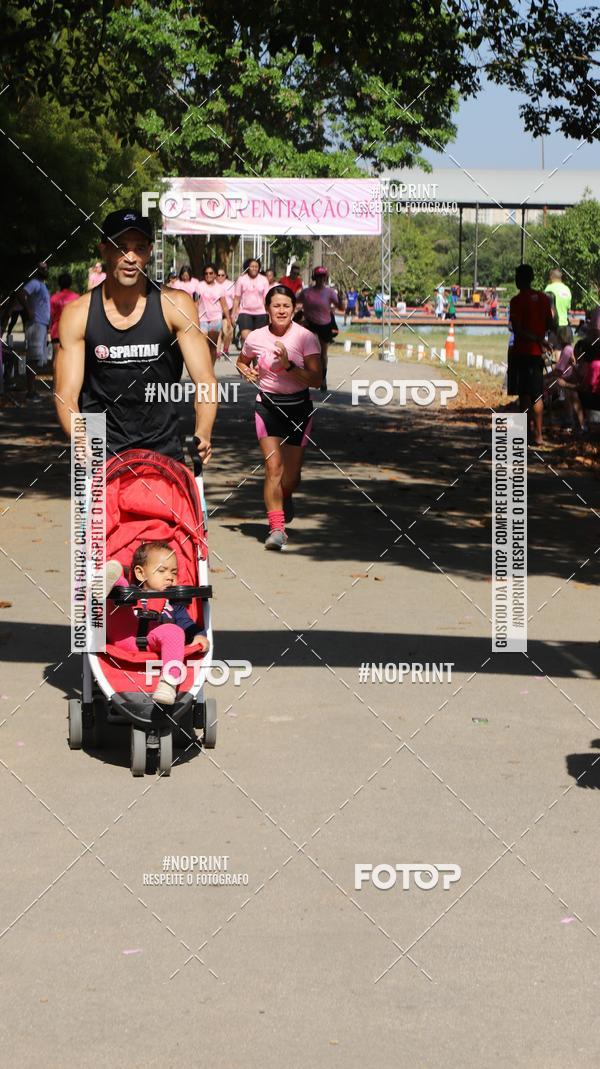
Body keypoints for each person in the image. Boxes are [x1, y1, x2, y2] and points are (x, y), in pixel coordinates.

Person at [54, 207, 217, 463]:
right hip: (96, 446)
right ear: (104, 249)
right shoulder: (77, 314)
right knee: (91, 502)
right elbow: (66, 392)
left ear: (149, 252)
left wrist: (203, 432)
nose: (130, 257)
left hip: (161, 446)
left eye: (139, 248)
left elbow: (205, 380)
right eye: (120, 247)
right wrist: (78, 437)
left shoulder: (175, 306)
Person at [236, 285, 321, 550]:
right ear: (267, 309)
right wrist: (244, 371)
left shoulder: (306, 338)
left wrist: (289, 366)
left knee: (291, 476)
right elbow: (242, 360)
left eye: (286, 305)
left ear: (294, 308)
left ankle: (286, 496)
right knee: (273, 469)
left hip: (298, 408)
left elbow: (317, 380)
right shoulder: (256, 338)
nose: (281, 310)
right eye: (276, 306)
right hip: (268, 407)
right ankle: (276, 529)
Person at [105, 542, 209, 706]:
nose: (170, 577)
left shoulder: (173, 604)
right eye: (162, 571)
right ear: (140, 573)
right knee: (119, 598)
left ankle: (168, 683)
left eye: (174, 572)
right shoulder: (133, 591)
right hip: (124, 635)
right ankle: (111, 578)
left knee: (174, 631)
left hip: (155, 642)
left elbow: (187, 623)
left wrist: (199, 635)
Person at [509, 263, 554, 446]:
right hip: (537, 354)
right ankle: (539, 436)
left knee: (524, 395)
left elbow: (517, 330)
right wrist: (540, 336)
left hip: (522, 351)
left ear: (520, 280)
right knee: (537, 395)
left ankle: (524, 434)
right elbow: (550, 324)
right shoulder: (544, 299)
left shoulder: (516, 301)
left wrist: (533, 336)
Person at [296, 266, 344, 392]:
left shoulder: (329, 292)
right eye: (318, 276)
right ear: (314, 277)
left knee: (323, 353)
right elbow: (294, 301)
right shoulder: (306, 292)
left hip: (325, 324)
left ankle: (323, 378)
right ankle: (306, 377)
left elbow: (341, 307)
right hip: (309, 324)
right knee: (307, 352)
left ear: (326, 278)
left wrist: (341, 298)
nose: (320, 279)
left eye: (323, 276)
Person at [18, 262, 50, 401]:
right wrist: (29, 310)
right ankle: (30, 392)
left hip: (41, 325)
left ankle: (33, 390)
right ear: (37, 270)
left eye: (46, 268)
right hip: (36, 325)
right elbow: (21, 293)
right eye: (42, 268)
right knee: (33, 358)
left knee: (37, 359)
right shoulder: (35, 283)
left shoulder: (42, 285)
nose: (45, 270)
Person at [197, 263, 231, 365]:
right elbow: (195, 303)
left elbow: (224, 305)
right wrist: (194, 317)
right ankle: (204, 366)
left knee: (212, 346)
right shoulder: (199, 286)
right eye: (206, 273)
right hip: (202, 319)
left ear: (215, 274)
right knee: (203, 344)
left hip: (216, 319)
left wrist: (228, 320)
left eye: (211, 273)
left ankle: (211, 367)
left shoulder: (220, 288)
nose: (208, 275)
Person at [232, 258, 270, 346]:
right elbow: (237, 297)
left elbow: (267, 298)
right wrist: (233, 314)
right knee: (246, 336)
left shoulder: (264, 280)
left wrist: (269, 313)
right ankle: (246, 354)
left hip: (260, 313)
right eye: (252, 266)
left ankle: (255, 358)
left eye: (256, 266)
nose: (254, 268)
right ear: (247, 267)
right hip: (245, 312)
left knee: (258, 340)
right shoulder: (241, 279)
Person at [50, 272, 79, 362]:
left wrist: (49, 329)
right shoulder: (77, 297)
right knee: (72, 359)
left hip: (57, 331)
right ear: (70, 283)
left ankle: (56, 376)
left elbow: (51, 315)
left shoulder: (54, 298)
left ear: (59, 283)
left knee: (57, 358)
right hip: (73, 331)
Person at [545, 268, 572, 351]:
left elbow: (546, 306)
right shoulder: (567, 289)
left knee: (556, 350)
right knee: (566, 351)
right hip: (565, 325)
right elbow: (568, 308)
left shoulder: (549, 288)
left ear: (551, 277)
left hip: (554, 325)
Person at [216, 267, 235, 357]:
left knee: (229, 331)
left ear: (226, 276)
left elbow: (235, 299)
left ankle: (226, 349)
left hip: (228, 312)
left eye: (222, 275)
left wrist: (235, 313)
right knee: (218, 333)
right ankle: (218, 352)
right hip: (216, 313)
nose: (220, 277)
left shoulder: (230, 285)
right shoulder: (213, 285)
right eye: (218, 275)